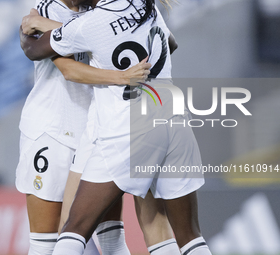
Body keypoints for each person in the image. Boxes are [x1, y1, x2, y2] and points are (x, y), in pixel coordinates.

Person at [20, 0, 213, 254]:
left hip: (120, 127)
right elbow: (170, 43)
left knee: (73, 228)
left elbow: (40, 50)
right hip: (168, 117)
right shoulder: (142, 6)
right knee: (183, 235)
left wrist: (120, 77)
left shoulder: (94, 19)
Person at [16, 1, 150, 255]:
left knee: (111, 236)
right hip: (51, 132)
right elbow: (67, 68)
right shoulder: (46, 9)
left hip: (96, 131)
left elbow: (97, 36)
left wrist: (51, 27)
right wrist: (119, 77)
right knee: (44, 243)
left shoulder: (101, 8)